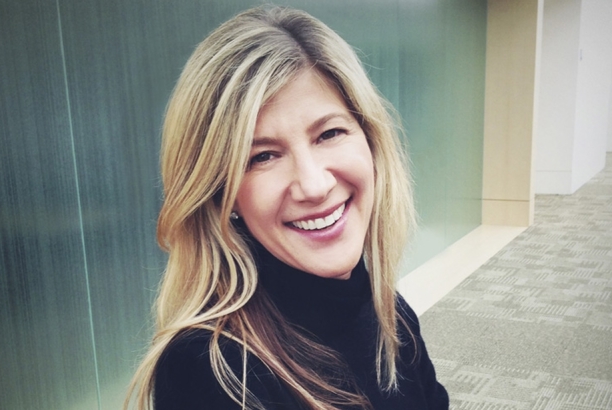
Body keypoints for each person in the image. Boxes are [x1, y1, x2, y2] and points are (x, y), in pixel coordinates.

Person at [125, 5, 449, 410]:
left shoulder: (387, 309)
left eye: (329, 133)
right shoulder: (213, 372)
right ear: (221, 193)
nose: (314, 185)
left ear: (370, 141)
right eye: (262, 156)